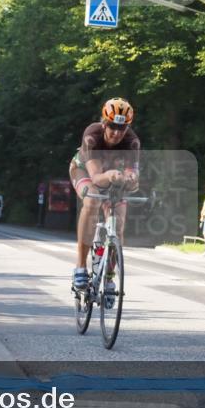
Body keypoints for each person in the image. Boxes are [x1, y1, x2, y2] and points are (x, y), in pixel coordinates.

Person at [69, 98, 141, 293]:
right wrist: (110, 175)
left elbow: (133, 180)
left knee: (118, 223)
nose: (117, 133)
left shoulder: (132, 142)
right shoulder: (92, 135)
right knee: (92, 200)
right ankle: (81, 267)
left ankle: (109, 276)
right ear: (104, 123)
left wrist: (131, 178)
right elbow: (96, 177)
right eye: (112, 126)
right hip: (84, 171)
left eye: (122, 127)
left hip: (113, 177)